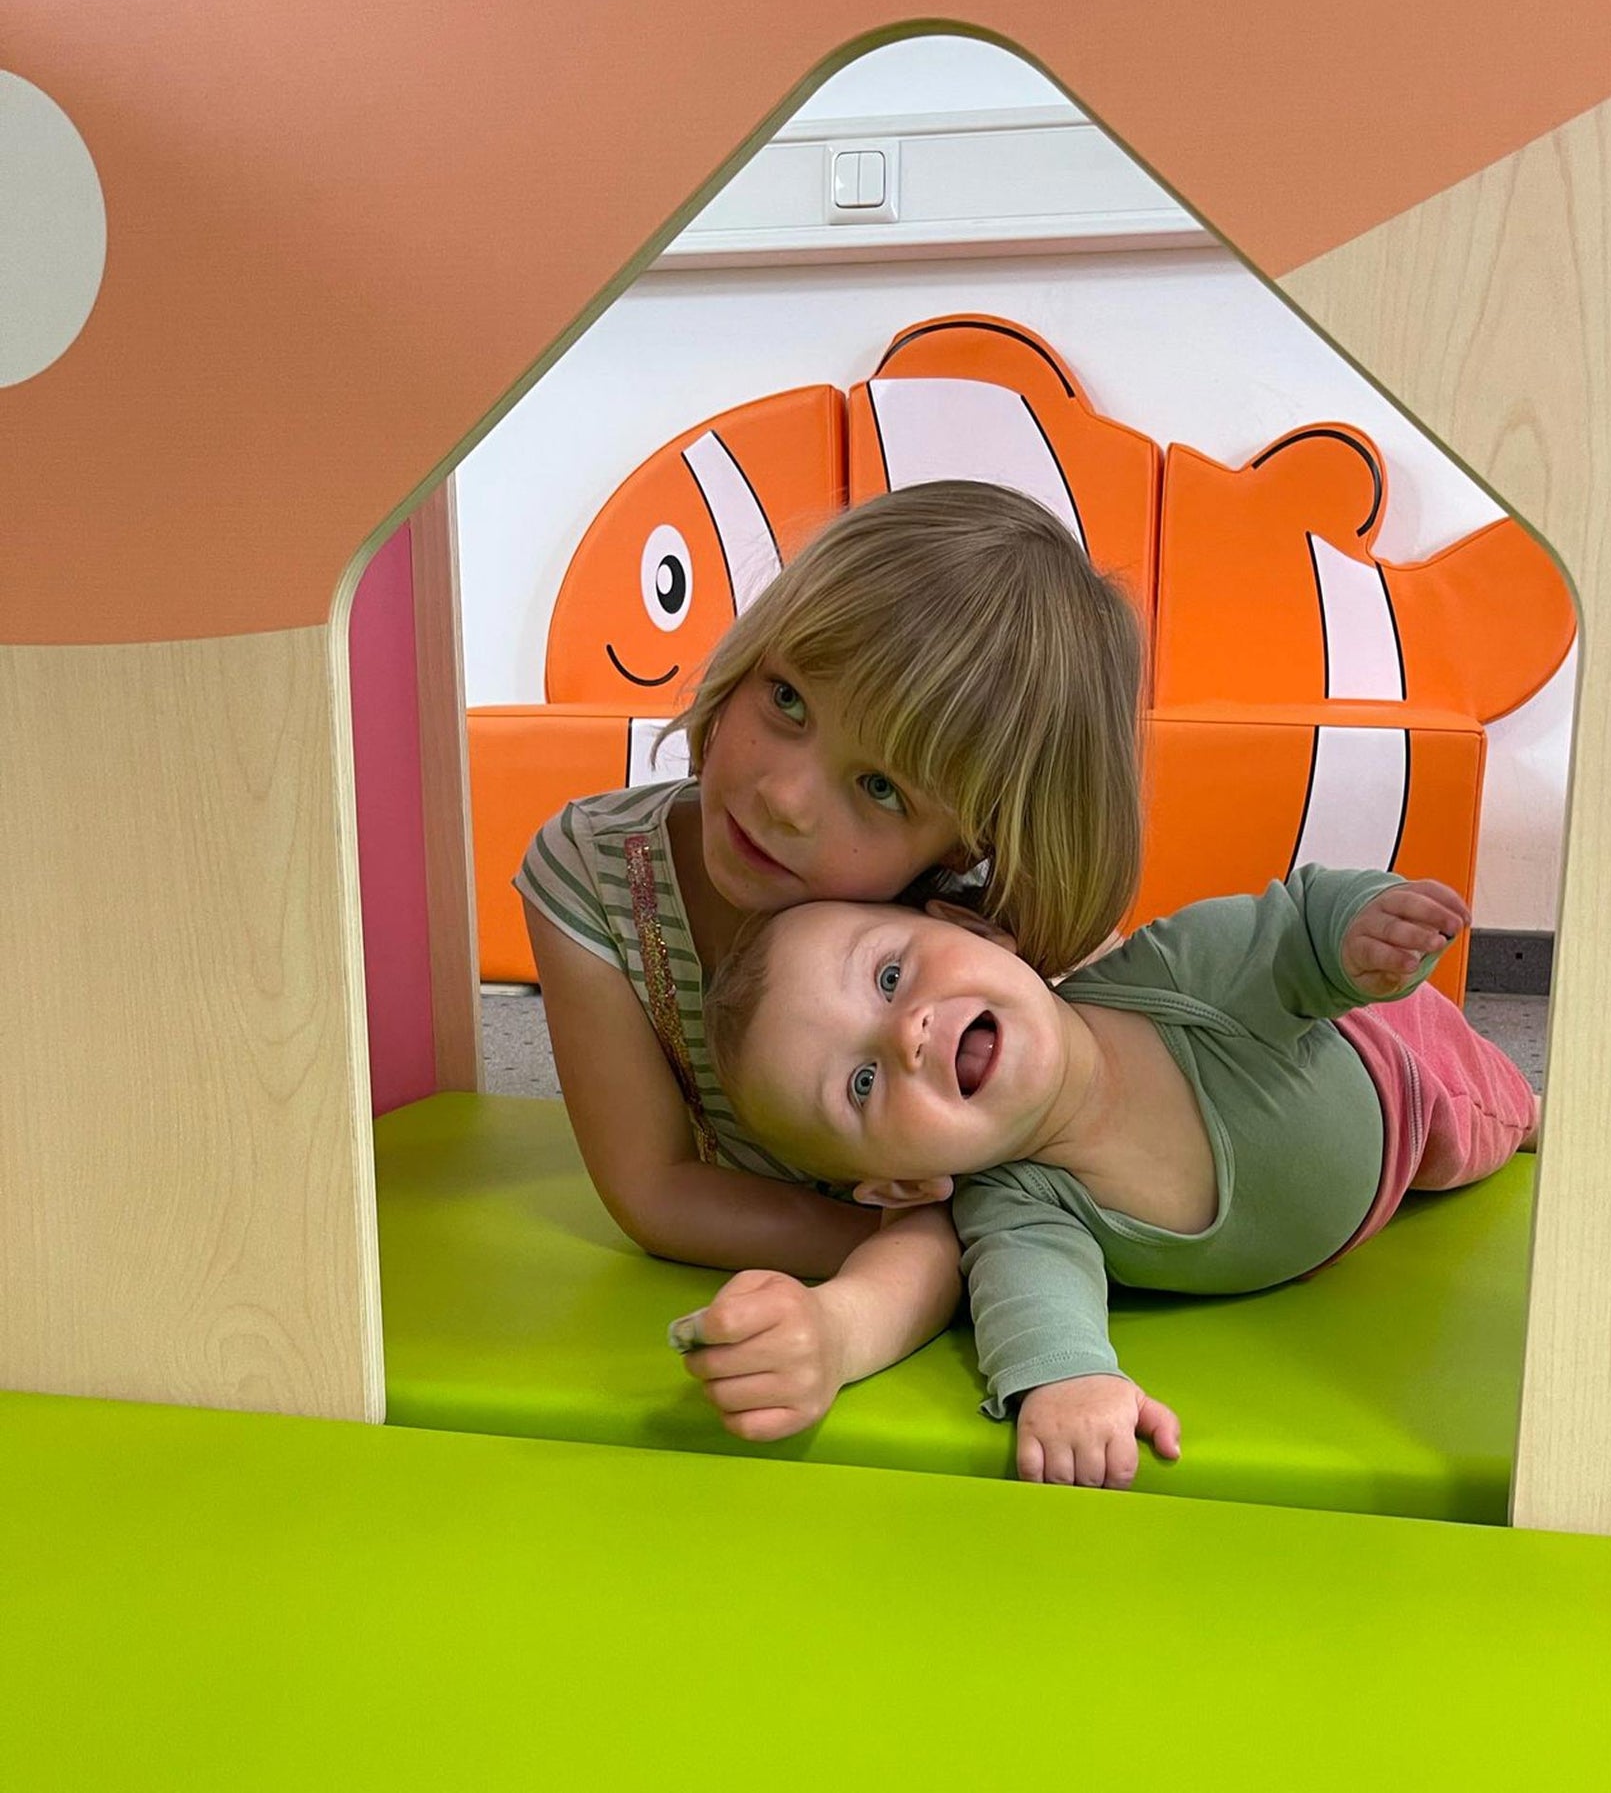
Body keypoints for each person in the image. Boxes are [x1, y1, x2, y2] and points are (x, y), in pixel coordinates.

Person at [517, 482, 1145, 1442]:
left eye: (882, 787)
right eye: (788, 699)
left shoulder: (976, 940)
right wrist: (912, 1254)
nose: (786, 798)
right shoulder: (594, 875)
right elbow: (654, 1189)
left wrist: (933, 1262)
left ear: (963, 845)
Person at [703, 867, 1537, 1487]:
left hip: (1401, 1069)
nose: (905, 1035)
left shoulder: (1173, 973)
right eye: (861, 1084)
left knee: (1497, 1129)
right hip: (1346, 1191)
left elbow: (1291, 931)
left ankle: (1534, 1108)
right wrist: (1069, 1381)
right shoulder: (1016, 1206)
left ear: (979, 933)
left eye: (890, 977)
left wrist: (1361, 932)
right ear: (903, 1186)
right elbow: (1039, 1303)